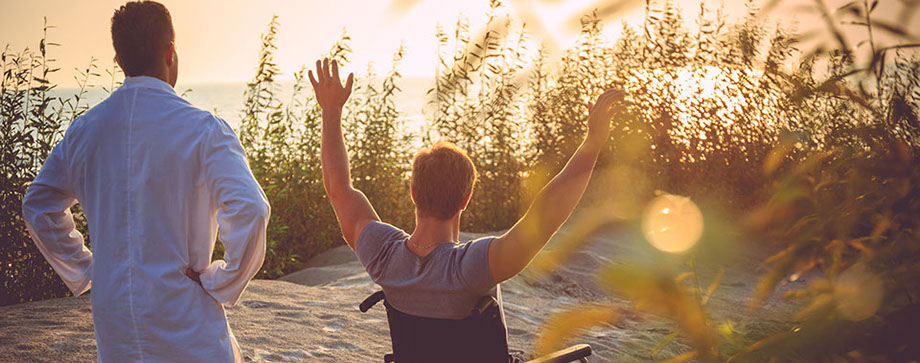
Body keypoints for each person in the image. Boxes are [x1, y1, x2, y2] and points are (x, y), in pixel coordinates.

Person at [21, 2, 269, 362]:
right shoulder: (205, 131)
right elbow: (251, 209)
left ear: (118, 60)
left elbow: (39, 205)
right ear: (171, 53)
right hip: (187, 319)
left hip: (116, 323)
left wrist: (88, 269)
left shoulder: (85, 131)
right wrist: (222, 280)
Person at [309, 58, 624, 321]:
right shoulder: (473, 266)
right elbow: (547, 214)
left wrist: (331, 111)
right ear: (466, 199)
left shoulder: (383, 255)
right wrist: (593, 142)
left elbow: (339, 189)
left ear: (414, 193)